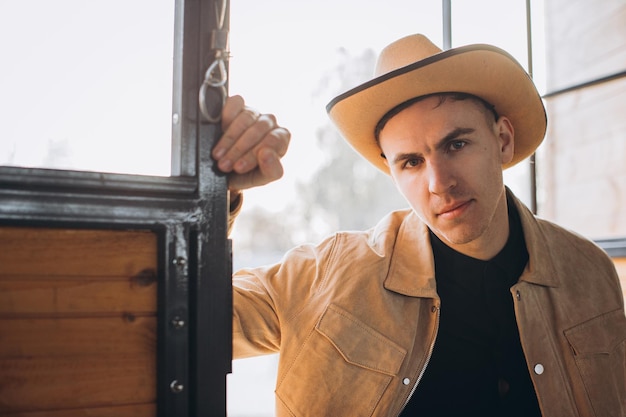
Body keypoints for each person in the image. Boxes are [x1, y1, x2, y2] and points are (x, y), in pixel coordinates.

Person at [212, 34, 626, 417]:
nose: (439, 183)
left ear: (502, 140)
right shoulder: (324, 276)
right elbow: (187, 321)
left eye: (456, 144)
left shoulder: (589, 271)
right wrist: (214, 191)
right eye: (411, 162)